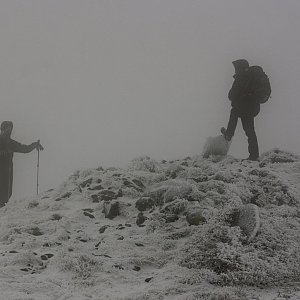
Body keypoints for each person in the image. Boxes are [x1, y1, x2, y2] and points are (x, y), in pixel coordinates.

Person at [221, 59, 270, 161]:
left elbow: (231, 95)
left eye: (236, 68)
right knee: (250, 131)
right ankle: (254, 155)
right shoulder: (251, 76)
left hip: (244, 105)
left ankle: (229, 134)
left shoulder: (241, 76)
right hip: (252, 107)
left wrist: (237, 96)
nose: (235, 70)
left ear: (239, 67)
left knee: (234, 112)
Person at [0, 121, 43, 207]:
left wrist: (35, 144)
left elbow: (24, 148)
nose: (9, 131)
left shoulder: (11, 143)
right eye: (7, 129)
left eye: (10, 129)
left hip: (8, 171)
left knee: (6, 194)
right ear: (2, 130)